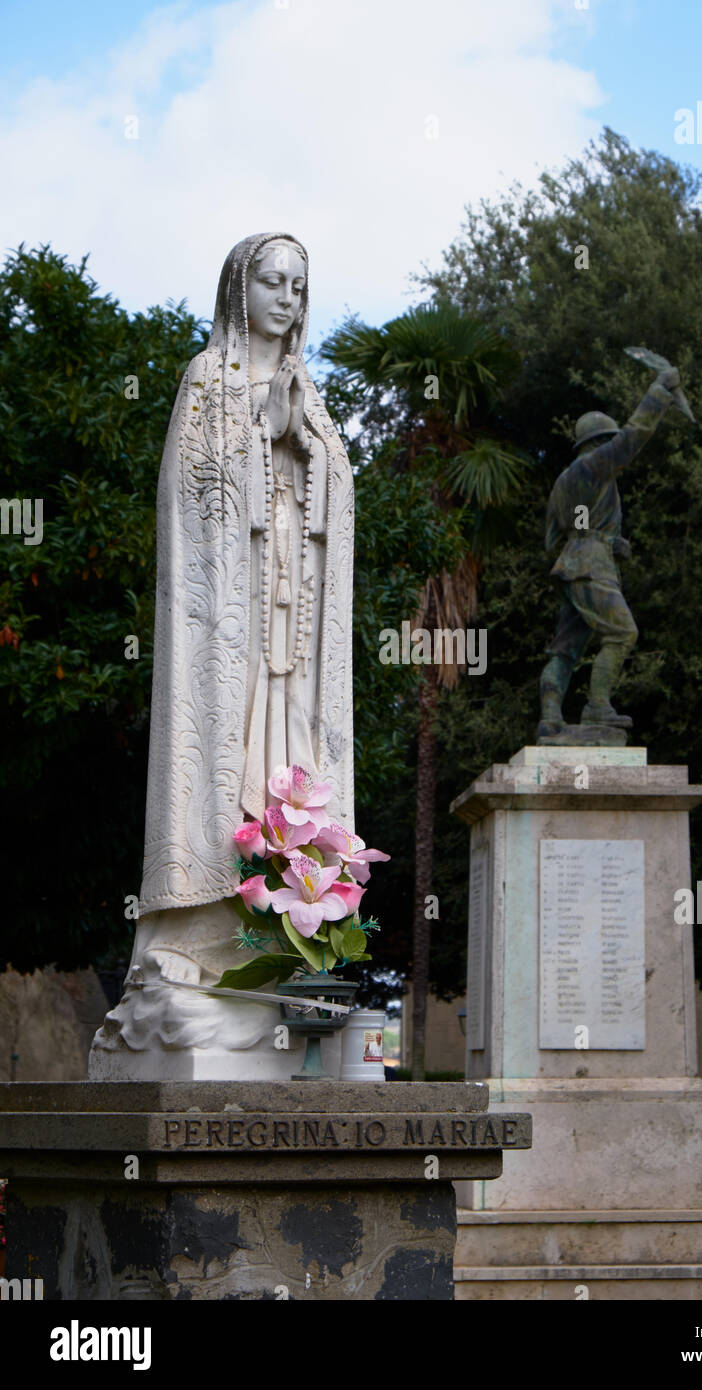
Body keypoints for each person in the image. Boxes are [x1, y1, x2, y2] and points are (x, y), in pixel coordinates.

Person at [89, 233, 354, 1075]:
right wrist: (255, 434)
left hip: (291, 623)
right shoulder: (208, 378)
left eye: (298, 284)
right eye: (271, 281)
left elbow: (339, 495)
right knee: (223, 762)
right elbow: (192, 493)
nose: (286, 297)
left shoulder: (308, 390)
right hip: (226, 628)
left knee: (287, 761)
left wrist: (302, 443)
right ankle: (194, 938)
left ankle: (283, 939)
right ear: (240, 289)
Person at [537, 365, 680, 740]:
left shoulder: (562, 483)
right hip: (591, 567)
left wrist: (609, 542)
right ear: (600, 443)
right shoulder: (594, 465)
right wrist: (659, 390)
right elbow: (635, 437)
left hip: (572, 567)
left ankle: (550, 718)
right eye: (610, 444)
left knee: (564, 651)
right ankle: (597, 705)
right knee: (622, 633)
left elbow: (554, 539)